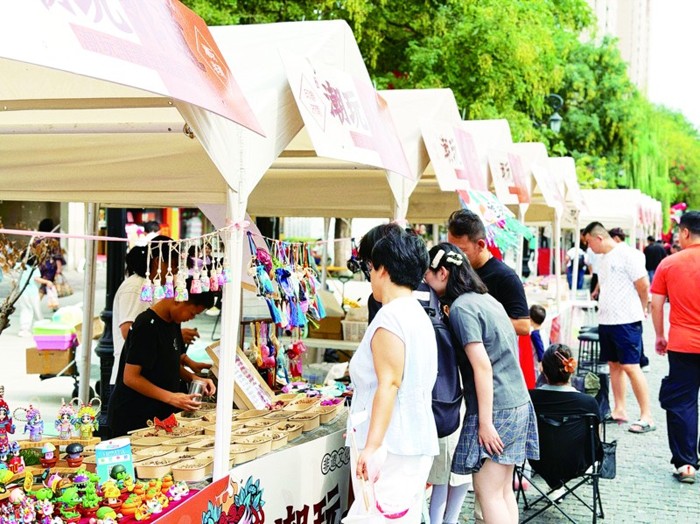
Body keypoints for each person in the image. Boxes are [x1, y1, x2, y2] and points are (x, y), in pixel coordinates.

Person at [425, 243, 538, 524]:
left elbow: (482, 366)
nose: (424, 280)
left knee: (488, 492)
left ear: (442, 273)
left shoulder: (462, 308)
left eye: (427, 273)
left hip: (496, 408)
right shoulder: (485, 298)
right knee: (503, 491)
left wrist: (485, 423)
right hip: (517, 401)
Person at [346, 230, 438, 522]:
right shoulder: (417, 314)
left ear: (383, 269)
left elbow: (389, 383)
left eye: (371, 268)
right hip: (409, 439)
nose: (370, 276)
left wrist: (372, 446)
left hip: (391, 445)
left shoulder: (391, 317)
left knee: (373, 517)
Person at [107, 237, 209, 422]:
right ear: (157, 262)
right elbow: (129, 335)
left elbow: (166, 359)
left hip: (157, 405)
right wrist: (172, 397)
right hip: (136, 406)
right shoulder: (138, 292)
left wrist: (193, 376)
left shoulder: (169, 317)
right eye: (174, 267)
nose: (175, 274)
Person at [107, 278, 217, 437]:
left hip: (159, 415)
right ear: (179, 300)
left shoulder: (173, 322)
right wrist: (171, 398)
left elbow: (168, 362)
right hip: (134, 416)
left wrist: (194, 378)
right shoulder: (146, 325)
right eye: (192, 313)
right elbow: (130, 378)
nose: (191, 319)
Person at [583, 222, 654, 434]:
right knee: (614, 365)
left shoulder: (628, 254)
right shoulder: (602, 259)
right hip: (607, 320)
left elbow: (643, 284)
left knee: (631, 366)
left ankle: (647, 415)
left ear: (599, 238)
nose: (589, 247)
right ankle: (619, 409)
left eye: (589, 242)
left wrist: (643, 308)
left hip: (626, 320)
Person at [651, 211, 700, 483]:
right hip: (685, 344)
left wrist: (660, 335)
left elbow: (656, 304)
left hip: (683, 345)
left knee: (682, 403)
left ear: (685, 232)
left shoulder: (669, 264)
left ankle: (686, 464)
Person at [447, 209, 529, 336]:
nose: (454, 255)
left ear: (480, 245)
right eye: (450, 248)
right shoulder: (453, 270)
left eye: (461, 250)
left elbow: (523, 326)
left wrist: (478, 318)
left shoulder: (505, 277)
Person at [15, 256, 50, 337]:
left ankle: (24, 329)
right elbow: (36, 278)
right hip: (33, 293)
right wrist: (47, 282)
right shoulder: (34, 268)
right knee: (36, 310)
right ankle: (41, 328)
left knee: (25, 309)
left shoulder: (19, 266)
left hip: (22, 292)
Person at [35, 218, 65, 304]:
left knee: (48, 284)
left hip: (41, 264)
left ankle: (54, 304)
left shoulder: (37, 238)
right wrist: (59, 267)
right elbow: (57, 255)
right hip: (51, 266)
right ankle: (37, 304)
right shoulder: (52, 239)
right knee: (46, 285)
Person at [530, 305, 546, 379]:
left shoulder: (535, 334)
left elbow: (539, 348)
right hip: (545, 361)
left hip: (537, 365)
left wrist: (541, 361)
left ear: (531, 320)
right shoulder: (544, 332)